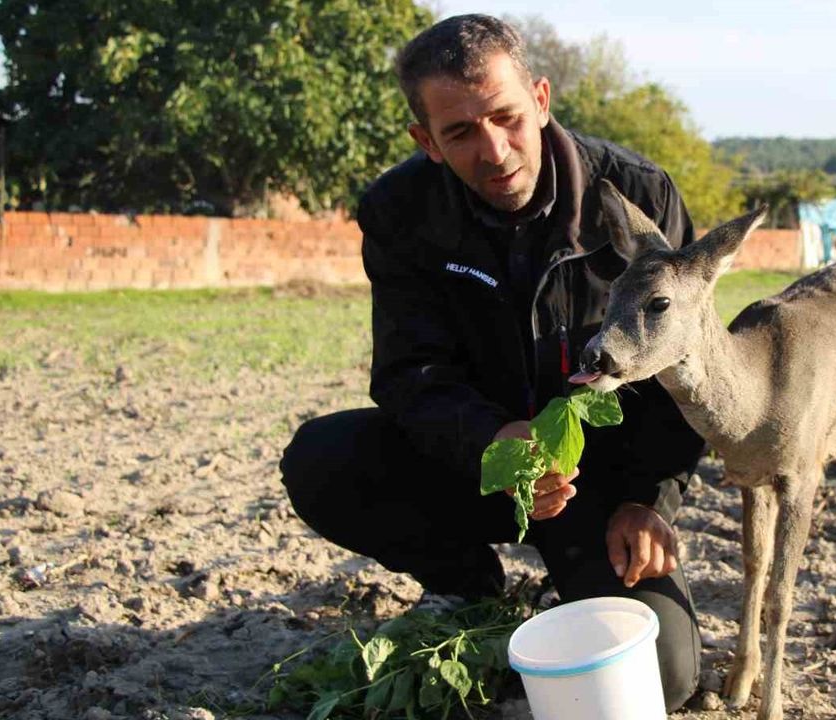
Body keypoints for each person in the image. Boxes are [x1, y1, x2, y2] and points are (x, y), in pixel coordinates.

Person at [278, 14, 706, 711]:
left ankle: (575, 575)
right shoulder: (398, 211)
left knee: (663, 676)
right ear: (427, 141)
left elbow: (684, 368)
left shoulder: (640, 196)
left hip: (598, 488)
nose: (496, 150)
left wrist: (649, 499)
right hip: (473, 468)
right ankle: (465, 586)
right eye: (461, 133)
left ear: (540, 99)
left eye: (507, 117)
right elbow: (409, 372)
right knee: (324, 459)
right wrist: (493, 441)